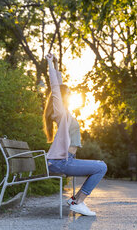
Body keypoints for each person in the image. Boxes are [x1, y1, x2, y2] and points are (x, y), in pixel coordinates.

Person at [43, 53, 107, 216]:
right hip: (60, 162)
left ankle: (75, 200)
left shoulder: (66, 113)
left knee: (99, 164)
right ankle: (79, 202)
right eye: (69, 93)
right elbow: (56, 87)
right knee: (101, 167)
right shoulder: (60, 113)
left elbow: (61, 84)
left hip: (63, 161)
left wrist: (57, 65)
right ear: (63, 97)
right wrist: (50, 63)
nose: (70, 93)